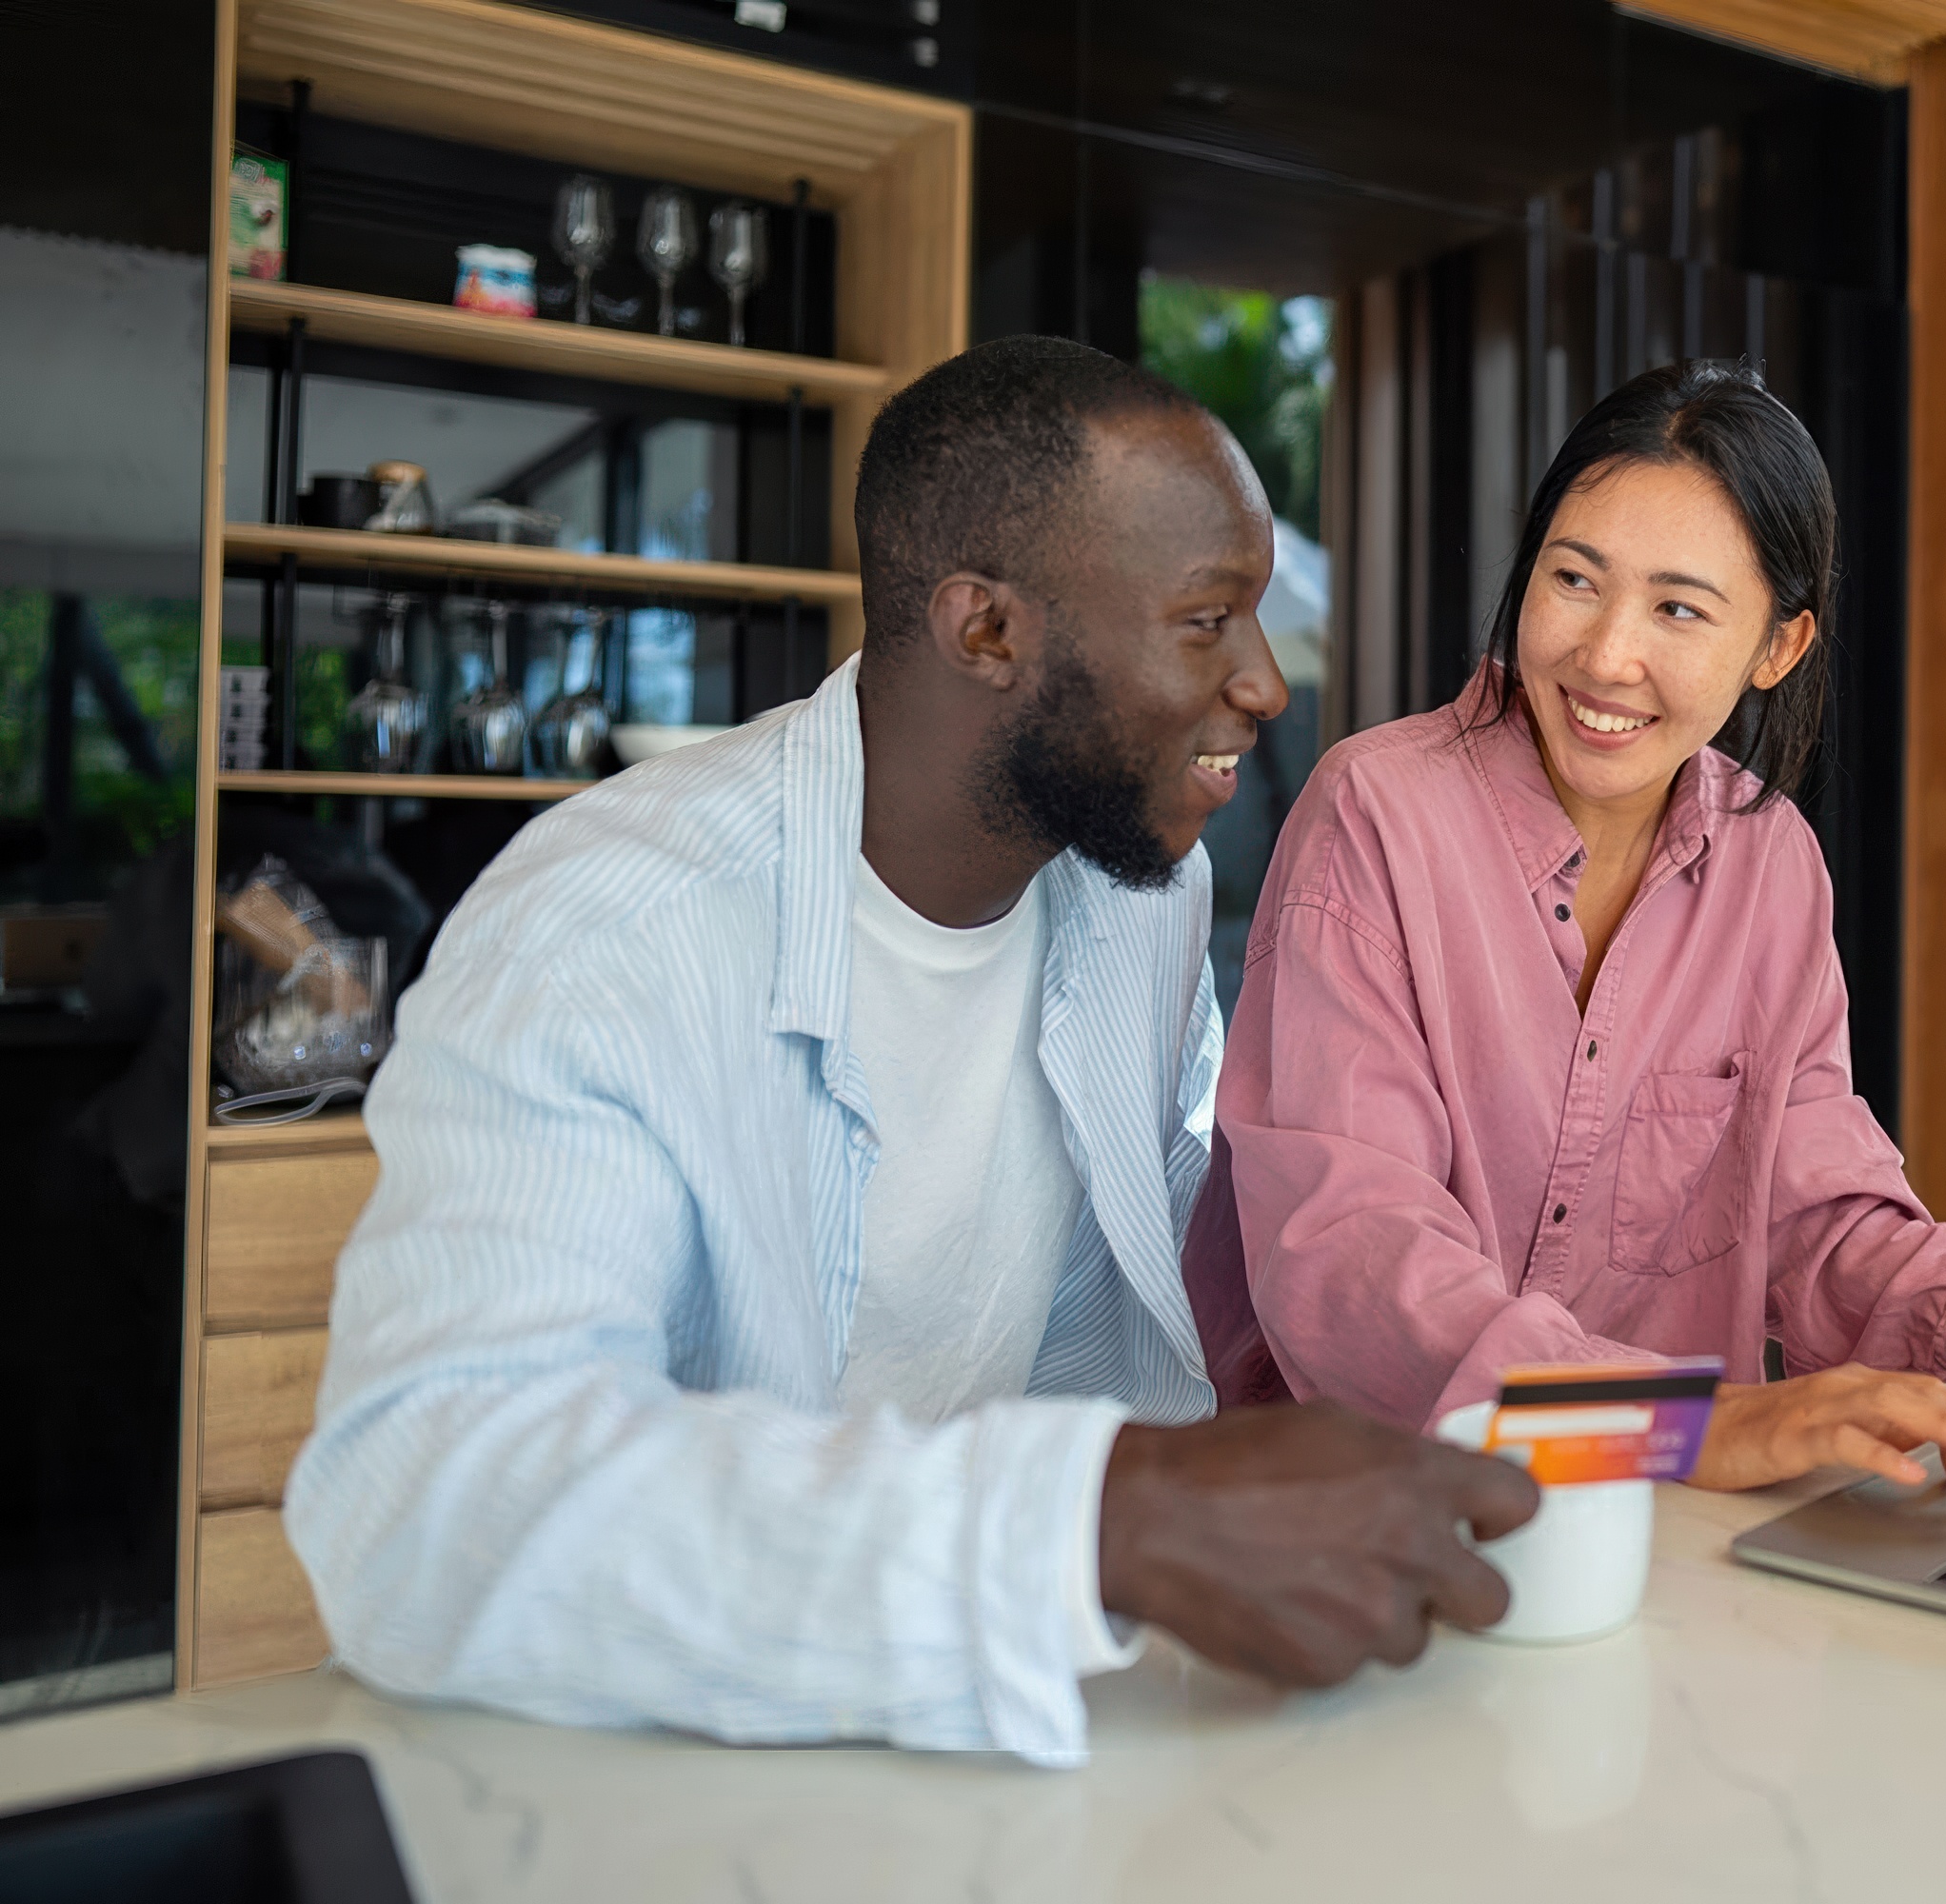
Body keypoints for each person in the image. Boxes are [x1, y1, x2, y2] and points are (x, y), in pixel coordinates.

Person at [285, 337, 1537, 1771]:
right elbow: (428, 1502)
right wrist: (1095, 1522)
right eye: (1208, 620)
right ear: (986, 632)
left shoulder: (1138, 896)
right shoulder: (605, 930)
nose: (1264, 685)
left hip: (962, 1747)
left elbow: (1106, 1331)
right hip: (616, 1776)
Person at [1185, 360, 1946, 1492]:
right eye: (1573, 579)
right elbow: (1351, 1259)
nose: (1604, 654)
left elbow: (1818, 1218)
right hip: (1368, 1522)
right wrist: (1692, 1425)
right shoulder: (1376, 809)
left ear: (1775, 646)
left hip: (1662, 1540)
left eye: (1677, 607)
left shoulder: (1769, 859)